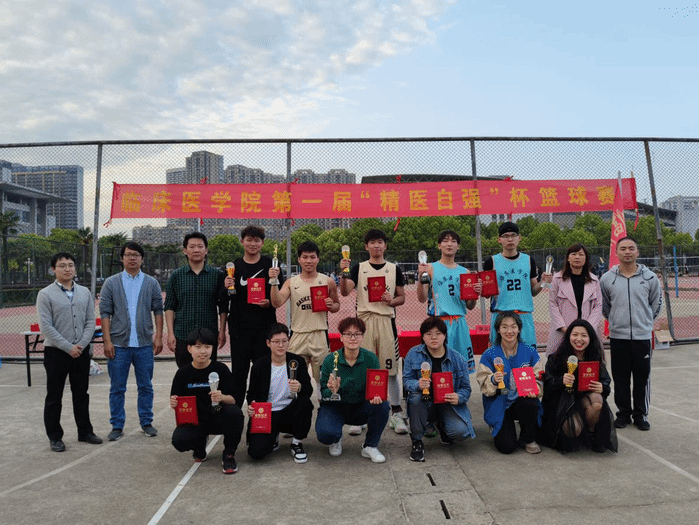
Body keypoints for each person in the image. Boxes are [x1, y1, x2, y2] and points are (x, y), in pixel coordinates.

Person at [339, 228, 407, 435]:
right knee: (362, 366)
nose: (376, 246)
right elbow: (345, 291)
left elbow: (401, 298)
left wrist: (391, 300)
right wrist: (343, 272)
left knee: (390, 368)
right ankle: (359, 415)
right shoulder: (359, 268)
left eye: (380, 242)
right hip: (364, 321)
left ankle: (396, 412)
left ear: (385, 246)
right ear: (366, 246)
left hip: (386, 320)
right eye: (372, 242)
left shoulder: (394, 269)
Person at [37, 252, 102, 452]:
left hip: (80, 351)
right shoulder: (45, 294)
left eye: (71, 265)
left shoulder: (84, 292)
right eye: (62, 265)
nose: (67, 269)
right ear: (53, 269)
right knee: (54, 396)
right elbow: (46, 326)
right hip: (56, 352)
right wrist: (68, 347)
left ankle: (85, 432)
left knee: (81, 393)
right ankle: (55, 437)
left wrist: (80, 345)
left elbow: (90, 321)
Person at [100, 241, 163, 441]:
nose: (132, 258)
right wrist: (107, 341)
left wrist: (158, 337)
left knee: (146, 386)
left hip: (144, 345)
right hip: (119, 345)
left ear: (142, 259)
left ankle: (146, 422)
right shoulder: (111, 283)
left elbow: (158, 310)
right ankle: (117, 425)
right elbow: (105, 313)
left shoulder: (151, 283)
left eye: (136, 255)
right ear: (122, 258)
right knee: (117, 388)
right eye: (128, 255)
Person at [600, 236, 662, 431]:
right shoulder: (607, 279)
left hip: (642, 337)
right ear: (616, 252)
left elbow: (656, 304)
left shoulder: (650, 278)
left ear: (637, 252)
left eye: (631, 248)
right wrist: (616, 321)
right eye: (623, 249)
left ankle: (641, 414)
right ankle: (623, 414)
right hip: (618, 337)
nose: (627, 252)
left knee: (642, 378)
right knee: (620, 378)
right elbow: (605, 306)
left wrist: (645, 322)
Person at [224, 225, 285, 408]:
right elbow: (225, 299)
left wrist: (269, 302)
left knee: (262, 372)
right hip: (239, 330)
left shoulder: (271, 266)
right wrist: (226, 286)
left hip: (264, 330)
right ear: (242, 241)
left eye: (257, 240)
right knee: (239, 374)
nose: (253, 244)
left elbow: (278, 297)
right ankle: (236, 415)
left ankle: (262, 414)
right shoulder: (233, 267)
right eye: (249, 240)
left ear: (262, 243)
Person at [315, 317, 391, 463]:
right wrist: (332, 390)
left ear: (362, 337)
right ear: (341, 337)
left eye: (357, 334)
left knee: (383, 405)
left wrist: (378, 395)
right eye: (348, 334)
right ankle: (335, 438)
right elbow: (323, 393)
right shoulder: (330, 360)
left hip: (360, 406)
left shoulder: (371, 358)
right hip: (335, 407)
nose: (353, 338)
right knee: (325, 435)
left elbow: (376, 386)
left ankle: (370, 446)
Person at [170, 327, 244, 474]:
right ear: (189, 349)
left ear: (212, 348)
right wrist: (174, 403)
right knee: (179, 440)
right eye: (198, 347)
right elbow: (177, 400)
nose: (203, 351)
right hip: (196, 421)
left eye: (207, 347)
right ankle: (199, 445)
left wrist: (222, 397)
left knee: (235, 414)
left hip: (217, 417)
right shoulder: (183, 373)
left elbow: (234, 399)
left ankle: (229, 453)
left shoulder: (221, 369)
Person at [403, 317, 476, 462]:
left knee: (461, 432)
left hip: (447, 404)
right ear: (423, 336)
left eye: (438, 333)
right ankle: (417, 440)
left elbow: (466, 388)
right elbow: (406, 380)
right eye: (428, 334)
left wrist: (458, 397)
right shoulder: (413, 354)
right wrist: (418, 384)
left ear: (445, 335)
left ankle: (442, 426)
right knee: (415, 398)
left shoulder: (458, 359)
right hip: (425, 402)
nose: (433, 337)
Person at [269, 241, 339, 389]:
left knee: (322, 379)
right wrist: (274, 282)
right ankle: (297, 402)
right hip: (298, 334)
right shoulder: (291, 282)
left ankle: (322, 402)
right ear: (299, 259)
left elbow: (336, 306)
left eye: (312, 257)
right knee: (294, 377)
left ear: (318, 259)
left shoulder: (328, 281)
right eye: (305, 257)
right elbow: (277, 302)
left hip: (319, 334)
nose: (309, 261)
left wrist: (331, 305)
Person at [540, 319, 617, 453]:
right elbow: (547, 384)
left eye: (584, 335)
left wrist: (602, 387)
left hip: (585, 398)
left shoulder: (594, 357)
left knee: (597, 400)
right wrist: (561, 380)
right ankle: (574, 430)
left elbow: (605, 381)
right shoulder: (556, 358)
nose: (579, 339)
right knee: (573, 429)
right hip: (563, 402)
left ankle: (591, 432)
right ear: (568, 336)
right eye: (575, 335)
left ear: (590, 338)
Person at [246, 323, 314, 463]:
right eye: (276, 342)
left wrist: (300, 387)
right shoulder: (259, 365)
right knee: (256, 453)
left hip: (290, 411)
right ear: (268, 343)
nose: (281, 345)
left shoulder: (297, 361)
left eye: (284, 341)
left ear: (289, 341)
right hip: (268, 414)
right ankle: (273, 437)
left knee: (305, 403)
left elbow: (308, 390)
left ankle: (297, 443)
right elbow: (251, 393)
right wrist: (251, 405)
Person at [477, 312, 543, 454]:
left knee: (530, 404)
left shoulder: (530, 352)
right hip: (500, 402)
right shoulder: (489, 354)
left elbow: (539, 377)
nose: (509, 331)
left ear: (519, 329)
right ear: (498, 330)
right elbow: (483, 382)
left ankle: (528, 438)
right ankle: (497, 425)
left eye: (513, 327)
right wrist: (493, 380)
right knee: (507, 447)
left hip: (522, 400)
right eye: (504, 327)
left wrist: (535, 389)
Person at [417, 229, 480, 373]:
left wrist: (475, 294)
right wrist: (421, 278)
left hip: (459, 323)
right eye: (445, 241)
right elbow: (421, 298)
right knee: (439, 366)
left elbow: (470, 306)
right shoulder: (430, 268)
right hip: (438, 322)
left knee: (461, 366)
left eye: (453, 241)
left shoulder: (465, 272)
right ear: (439, 245)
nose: (449, 244)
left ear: (458, 246)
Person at [483, 222, 552, 349]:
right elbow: (487, 294)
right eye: (505, 236)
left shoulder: (528, 260)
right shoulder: (491, 262)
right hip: (501, 316)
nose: (510, 239)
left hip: (524, 316)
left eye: (513, 235)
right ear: (499, 239)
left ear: (519, 238)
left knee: (527, 357)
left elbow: (533, 291)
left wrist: (543, 282)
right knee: (499, 358)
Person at [164, 232, 228, 367]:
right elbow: (169, 306)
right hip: (183, 335)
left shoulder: (217, 275)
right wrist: (170, 334)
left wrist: (222, 331)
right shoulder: (176, 276)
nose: (196, 250)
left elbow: (223, 306)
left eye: (200, 246)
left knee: (209, 373)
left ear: (206, 250)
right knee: (185, 372)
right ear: (185, 250)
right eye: (192, 247)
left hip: (209, 335)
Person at [546, 243, 604, 355]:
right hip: (563, 332)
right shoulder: (557, 279)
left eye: (581, 254)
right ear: (568, 258)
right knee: (560, 361)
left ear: (586, 259)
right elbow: (553, 304)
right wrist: (564, 328)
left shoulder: (594, 280)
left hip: (588, 334)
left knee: (589, 362)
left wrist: (588, 329)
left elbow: (598, 306)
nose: (577, 257)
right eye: (573, 254)